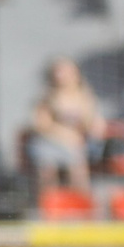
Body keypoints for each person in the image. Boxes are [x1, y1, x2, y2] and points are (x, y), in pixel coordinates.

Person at [21, 57, 108, 191]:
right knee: (47, 168)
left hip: (76, 145)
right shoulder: (47, 97)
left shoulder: (85, 97)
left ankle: (81, 202)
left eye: (67, 71)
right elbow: (42, 125)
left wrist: (95, 126)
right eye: (59, 71)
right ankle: (50, 202)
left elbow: (90, 122)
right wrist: (66, 136)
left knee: (78, 168)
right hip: (50, 142)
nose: (62, 75)